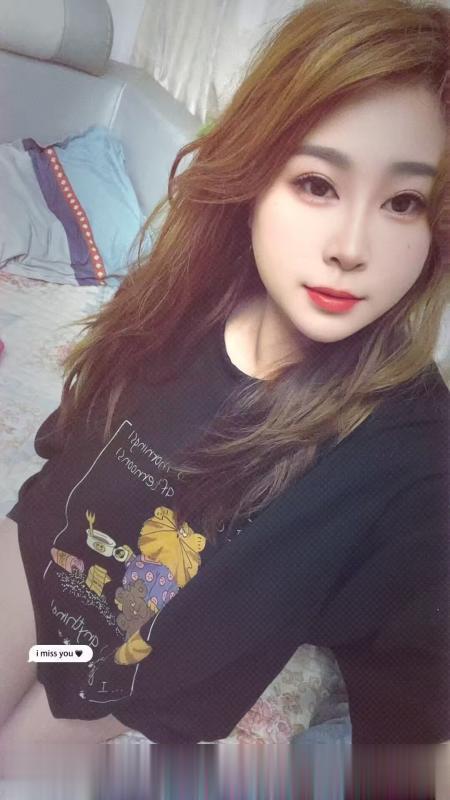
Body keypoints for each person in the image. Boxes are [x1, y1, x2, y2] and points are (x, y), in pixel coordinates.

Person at [0, 0, 448, 758]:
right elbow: (66, 458)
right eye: (318, 184)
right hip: (36, 569)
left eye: (403, 202)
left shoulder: (413, 455)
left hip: (134, 686)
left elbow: (418, 704)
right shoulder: (179, 300)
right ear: (255, 176)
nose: (350, 247)